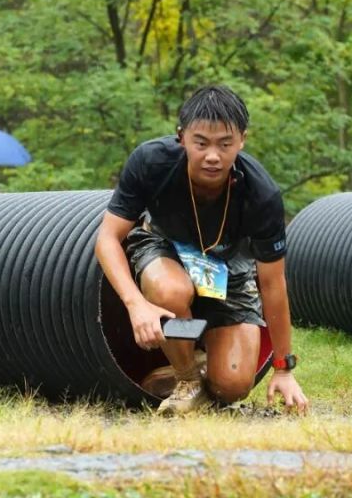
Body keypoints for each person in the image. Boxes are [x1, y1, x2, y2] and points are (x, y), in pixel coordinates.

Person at [94, 85, 309, 414]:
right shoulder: (151, 162)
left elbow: (272, 283)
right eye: (201, 143)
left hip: (229, 266)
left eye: (225, 144)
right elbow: (108, 238)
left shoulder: (261, 194)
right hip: (163, 246)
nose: (213, 155)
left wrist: (283, 368)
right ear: (181, 137)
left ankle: (192, 348)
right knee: (169, 290)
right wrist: (135, 304)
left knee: (233, 384)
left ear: (242, 140)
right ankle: (186, 379)